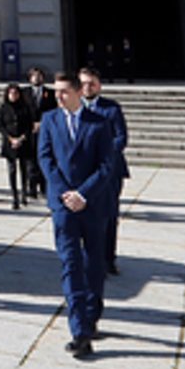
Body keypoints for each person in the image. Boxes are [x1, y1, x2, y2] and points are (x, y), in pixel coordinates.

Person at [36, 71, 116, 359]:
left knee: (94, 264)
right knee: (70, 263)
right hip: (62, 207)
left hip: (92, 205)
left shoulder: (100, 123)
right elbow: (45, 159)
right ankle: (80, 331)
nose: (57, 96)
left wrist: (83, 194)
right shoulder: (49, 120)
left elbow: (107, 165)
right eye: (55, 91)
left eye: (63, 92)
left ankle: (92, 314)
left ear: (78, 93)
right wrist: (64, 194)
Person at [79, 67, 129, 275]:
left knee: (108, 217)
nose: (88, 87)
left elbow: (121, 137)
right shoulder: (73, 109)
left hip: (109, 172)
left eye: (92, 83)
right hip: (82, 173)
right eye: (83, 83)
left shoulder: (111, 108)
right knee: (83, 218)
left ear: (99, 85)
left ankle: (108, 259)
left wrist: (103, 154)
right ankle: (87, 259)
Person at [0, 82, 35, 210]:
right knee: (11, 170)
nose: (13, 96)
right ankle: (14, 197)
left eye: (15, 93)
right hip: (9, 143)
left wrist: (21, 139)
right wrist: (10, 139)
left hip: (23, 142)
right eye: (11, 93)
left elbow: (29, 126)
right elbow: (1, 126)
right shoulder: (4, 107)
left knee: (24, 169)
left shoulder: (25, 107)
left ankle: (24, 193)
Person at [26, 67, 53, 197]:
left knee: (44, 159)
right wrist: (30, 124)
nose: (36, 78)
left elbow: (54, 111)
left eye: (39, 76)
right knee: (30, 162)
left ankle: (44, 187)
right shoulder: (24, 93)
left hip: (45, 131)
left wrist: (43, 123)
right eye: (34, 76)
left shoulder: (50, 93)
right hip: (29, 131)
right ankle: (31, 188)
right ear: (30, 78)